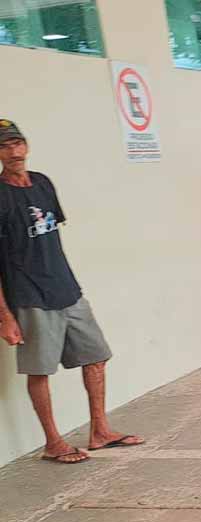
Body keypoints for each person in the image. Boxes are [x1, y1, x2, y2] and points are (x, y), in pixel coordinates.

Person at [0, 119, 144, 463]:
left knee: (96, 356)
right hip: (30, 296)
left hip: (67, 288)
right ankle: (53, 442)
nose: (14, 150)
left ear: (27, 145)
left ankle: (100, 430)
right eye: (4, 146)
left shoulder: (44, 184)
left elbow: (51, 236)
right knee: (40, 370)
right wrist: (5, 316)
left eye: (17, 142)